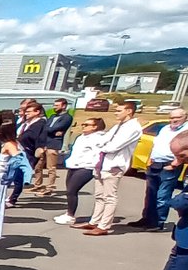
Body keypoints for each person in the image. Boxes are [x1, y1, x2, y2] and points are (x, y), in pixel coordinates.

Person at [104, 131, 188, 270]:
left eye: (182, 156)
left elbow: (181, 201)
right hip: (182, 239)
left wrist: (178, 200)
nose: (178, 160)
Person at [78, 101, 143, 236]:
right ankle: (94, 221)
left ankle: (104, 225)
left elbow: (114, 146)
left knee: (109, 196)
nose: (116, 113)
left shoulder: (133, 128)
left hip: (114, 165)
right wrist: (101, 145)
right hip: (101, 163)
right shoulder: (119, 126)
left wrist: (101, 147)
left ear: (129, 111)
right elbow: (104, 139)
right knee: (99, 195)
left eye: (119, 110)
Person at [137, 108, 187, 231]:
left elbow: (184, 150)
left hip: (170, 164)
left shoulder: (186, 130)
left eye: (177, 118)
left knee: (162, 195)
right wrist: (149, 159)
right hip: (155, 163)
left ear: (185, 117)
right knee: (150, 193)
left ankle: (157, 222)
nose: (174, 120)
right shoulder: (165, 129)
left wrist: (175, 164)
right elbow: (156, 145)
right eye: (172, 117)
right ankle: (147, 219)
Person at [54, 118, 107, 225]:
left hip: (86, 167)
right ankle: (68, 212)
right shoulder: (81, 137)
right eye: (83, 124)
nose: (83, 126)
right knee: (69, 190)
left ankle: (71, 216)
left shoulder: (99, 138)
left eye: (86, 124)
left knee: (72, 190)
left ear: (95, 127)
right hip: (73, 165)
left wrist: (95, 165)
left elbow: (99, 154)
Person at [30, 98, 73, 196]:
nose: (55, 107)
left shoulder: (67, 117)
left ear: (64, 106)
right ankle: (38, 185)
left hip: (54, 145)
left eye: (57, 105)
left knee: (51, 168)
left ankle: (49, 188)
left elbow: (56, 128)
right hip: (44, 144)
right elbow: (46, 128)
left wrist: (51, 130)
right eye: (54, 105)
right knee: (38, 166)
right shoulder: (52, 116)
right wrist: (50, 130)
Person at [13, 101, 48, 204]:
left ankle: (13, 198)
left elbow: (32, 136)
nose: (26, 113)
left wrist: (19, 138)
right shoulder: (25, 122)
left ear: (37, 112)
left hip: (28, 151)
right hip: (18, 149)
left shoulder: (40, 123)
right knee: (15, 174)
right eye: (25, 111)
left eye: (28, 112)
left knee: (19, 175)